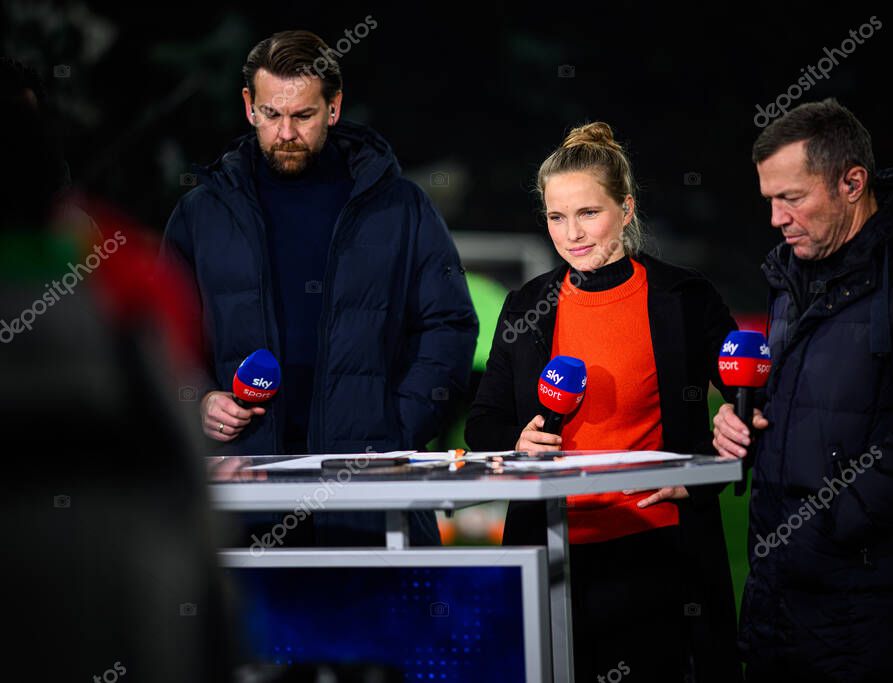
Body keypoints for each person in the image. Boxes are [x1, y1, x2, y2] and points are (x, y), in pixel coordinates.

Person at [160, 30, 477, 546]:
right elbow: (162, 336)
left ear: (334, 108)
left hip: (368, 494)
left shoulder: (400, 205)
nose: (285, 132)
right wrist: (196, 399)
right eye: (271, 114)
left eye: (303, 116)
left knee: (375, 627)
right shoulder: (201, 213)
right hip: (239, 500)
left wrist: (394, 430)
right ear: (248, 107)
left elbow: (449, 325)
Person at [712, 98, 893, 681]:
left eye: (792, 198)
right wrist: (748, 424)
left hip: (877, 616)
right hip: (782, 603)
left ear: (852, 182)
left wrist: (817, 529)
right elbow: (818, 406)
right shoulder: (788, 277)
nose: (776, 219)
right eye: (769, 200)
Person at [465, 122, 742, 682]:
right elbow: (484, 421)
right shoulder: (525, 306)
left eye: (588, 213)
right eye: (556, 217)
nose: (572, 233)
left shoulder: (685, 299)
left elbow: (753, 403)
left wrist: (709, 472)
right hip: (551, 550)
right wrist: (515, 442)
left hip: (659, 552)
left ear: (626, 208)